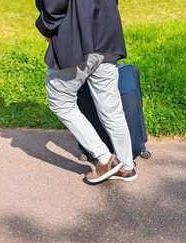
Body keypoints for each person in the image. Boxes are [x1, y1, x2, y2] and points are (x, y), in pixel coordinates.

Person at [35, 0, 137, 183]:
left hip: (78, 38)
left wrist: (46, 28)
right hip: (108, 35)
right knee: (111, 108)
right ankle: (126, 166)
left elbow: (54, 6)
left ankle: (105, 160)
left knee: (60, 101)